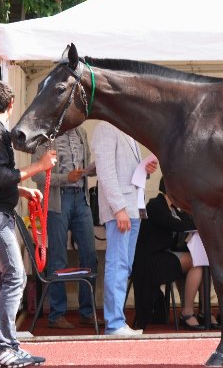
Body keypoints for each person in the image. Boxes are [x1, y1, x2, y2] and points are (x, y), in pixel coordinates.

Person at [0, 79, 56, 367]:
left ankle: (5, 347)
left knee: (3, 280)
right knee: (15, 278)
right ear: (11, 104)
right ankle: (3, 348)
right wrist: (39, 166)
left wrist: (22, 191)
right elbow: (1, 176)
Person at [91, 121, 157, 335]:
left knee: (124, 266)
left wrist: (145, 170)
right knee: (118, 264)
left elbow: (124, 169)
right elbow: (106, 172)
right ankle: (114, 323)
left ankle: (117, 321)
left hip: (134, 206)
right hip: (121, 208)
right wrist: (118, 209)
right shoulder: (106, 128)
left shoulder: (128, 129)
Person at [31, 126, 99, 329]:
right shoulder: (45, 136)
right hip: (57, 200)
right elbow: (37, 175)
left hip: (81, 198)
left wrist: (91, 170)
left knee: (90, 255)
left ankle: (87, 312)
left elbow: (85, 164)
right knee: (58, 257)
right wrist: (65, 178)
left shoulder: (81, 132)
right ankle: (57, 314)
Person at [133, 177, 217, 330]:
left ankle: (204, 310)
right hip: (150, 260)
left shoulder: (173, 208)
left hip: (163, 255)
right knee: (197, 262)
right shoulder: (155, 205)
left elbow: (189, 222)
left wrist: (190, 212)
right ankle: (188, 312)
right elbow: (179, 226)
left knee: (202, 261)